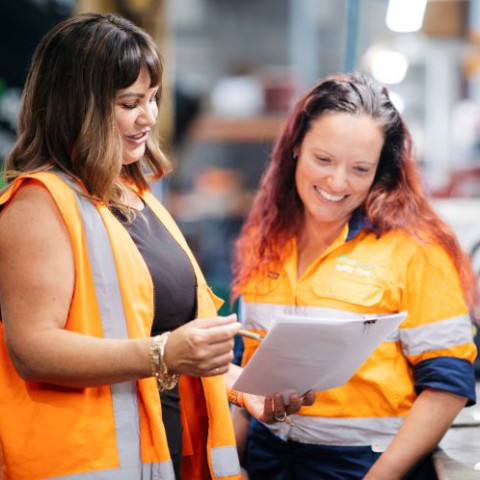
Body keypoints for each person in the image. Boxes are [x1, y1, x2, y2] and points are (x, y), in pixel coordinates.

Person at [0, 12, 313, 480]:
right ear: (75, 106)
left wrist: (246, 390)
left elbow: (173, 340)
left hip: (167, 453)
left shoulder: (136, 194)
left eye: (151, 98)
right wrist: (163, 354)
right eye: (130, 103)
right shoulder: (38, 203)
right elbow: (33, 349)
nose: (148, 117)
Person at [231, 72, 478, 480]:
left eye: (360, 169)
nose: (337, 182)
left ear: (381, 170)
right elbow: (247, 370)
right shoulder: (267, 240)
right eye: (323, 160)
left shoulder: (415, 249)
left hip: (365, 467)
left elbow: (448, 384)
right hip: (267, 463)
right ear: (296, 148)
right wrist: (231, 464)